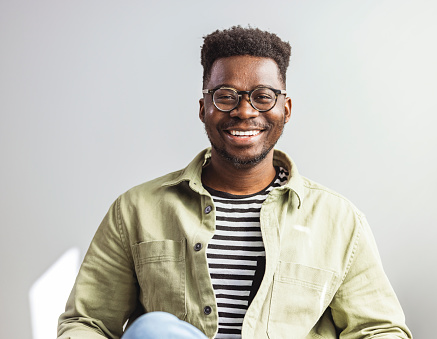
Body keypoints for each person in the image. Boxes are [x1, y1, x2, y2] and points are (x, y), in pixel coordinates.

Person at [57, 26, 412, 339]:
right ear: (204, 109)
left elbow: (379, 329)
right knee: (154, 332)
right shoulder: (136, 210)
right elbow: (87, 323)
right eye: (226, 96)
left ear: (285, 109)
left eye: (263, 96)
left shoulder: (338, 220)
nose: (244, 111)